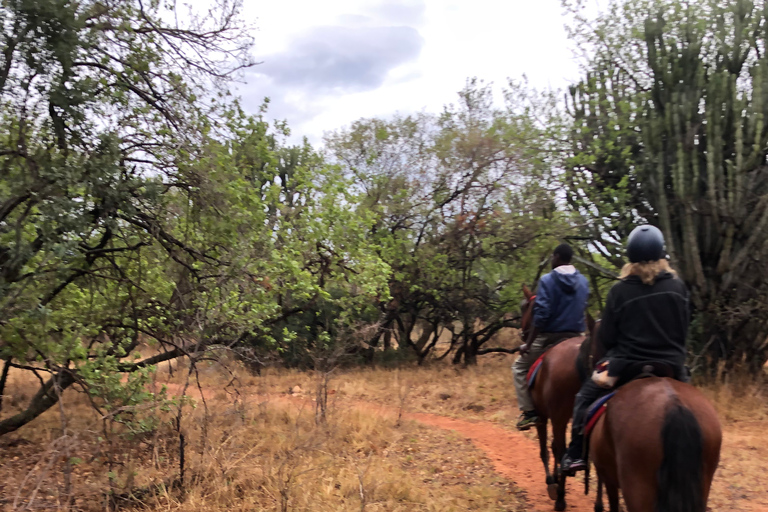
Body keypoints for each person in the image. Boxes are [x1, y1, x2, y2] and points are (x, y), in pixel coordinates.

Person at [560, 225, 690, 474]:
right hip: (672, 366)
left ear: (630, 257)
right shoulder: (678, 288)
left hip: (626, 366)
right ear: (662, 254)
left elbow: (607, 338)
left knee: (583, 398)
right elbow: (683, 332)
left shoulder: (620, 291)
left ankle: (576, 454)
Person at [514, 243, 589, 430]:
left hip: (550, 337)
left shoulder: (547, 280)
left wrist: (528, 344)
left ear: (556, 257)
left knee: (518, 368)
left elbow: (542, 315)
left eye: (552, 258)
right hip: (578, 336)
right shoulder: (583, 281)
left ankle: (530, 413)